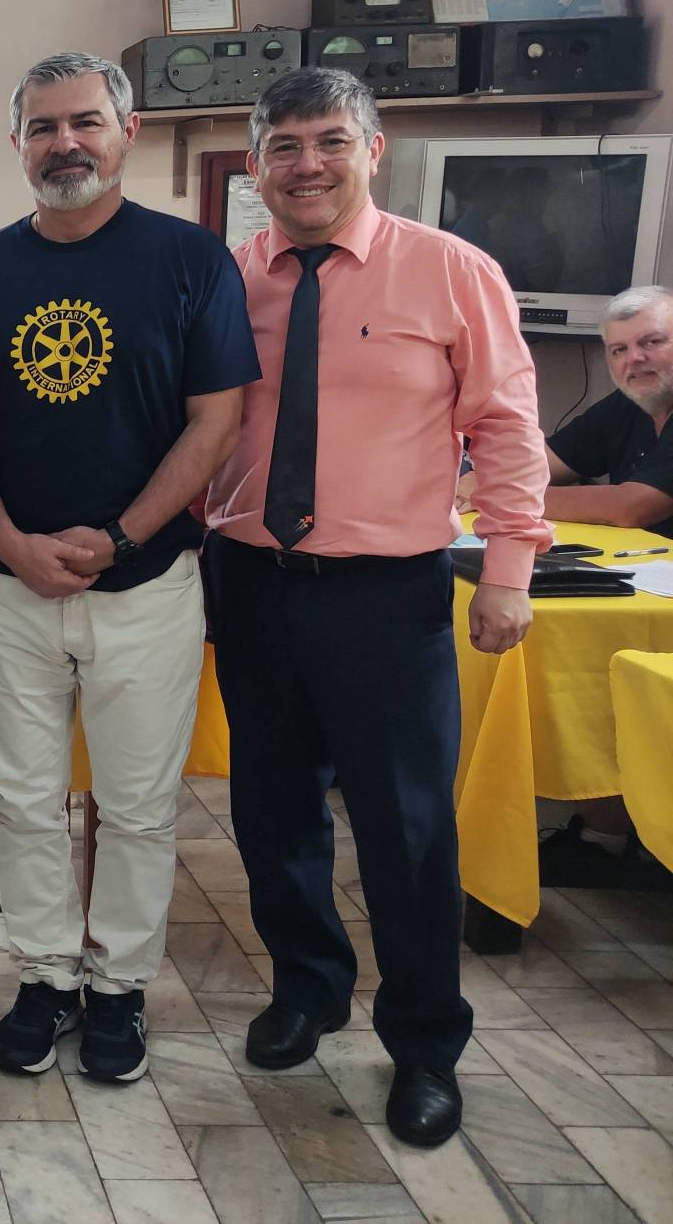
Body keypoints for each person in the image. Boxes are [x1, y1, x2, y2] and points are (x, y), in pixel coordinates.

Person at [204, 67, 549, 1148]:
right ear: (255, 164)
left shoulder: (449, 271)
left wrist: (509, 568)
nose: (306, 164)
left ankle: (424, 1042)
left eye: (329, 141)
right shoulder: (226, 279)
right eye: (284, 146)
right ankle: (308, 988)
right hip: (249, 581)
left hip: (386, 594)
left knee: (405, 829)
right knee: (271, 812)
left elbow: (505, 425)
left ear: (372, 148)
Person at [0, 52, 257, 1082]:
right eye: (42, 127)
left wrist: (119, 536)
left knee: (137, 807)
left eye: (84, 122)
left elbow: (215, 421)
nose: (63, 143)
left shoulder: (190, 259)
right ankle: (43, 977)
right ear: (17, 144)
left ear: (127, 133)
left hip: (147, 584)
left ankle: (117, 988)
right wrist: (9, 543)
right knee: (25, 802)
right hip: (6, 585)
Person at [543, 284, 673, 537]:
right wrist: (486, 477)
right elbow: (544, 463)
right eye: (619, 349)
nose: (634, 358)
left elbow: (631, 507)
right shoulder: (630, 401)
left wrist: (504, 496)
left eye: (652, 342)